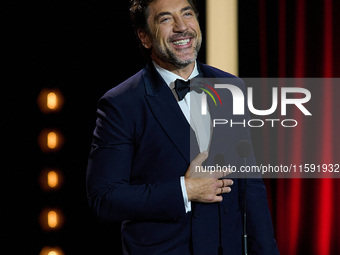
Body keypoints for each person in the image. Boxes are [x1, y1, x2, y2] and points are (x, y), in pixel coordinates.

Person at [86, 0, 280, 254]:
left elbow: (250, 186)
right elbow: (104, 198)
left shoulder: (232, 87)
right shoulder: (121, 104)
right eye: (165, 19)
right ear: (144, 37)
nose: (181, 27)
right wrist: (184, 191)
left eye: (186, 14)